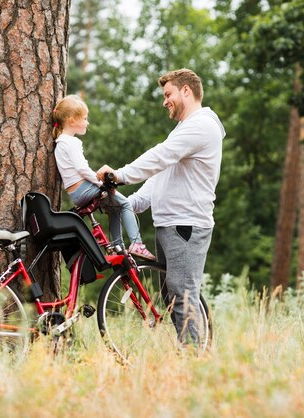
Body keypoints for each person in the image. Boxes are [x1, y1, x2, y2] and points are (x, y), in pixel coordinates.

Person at [96, 69, 226, 345]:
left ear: (186, 91)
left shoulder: (201, 125)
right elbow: (159, 180)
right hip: (170, 226)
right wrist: (126, 205)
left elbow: (159, 157)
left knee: (183, 293)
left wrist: (119, 175)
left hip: (186, 225)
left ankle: (193, 362)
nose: (164, 101)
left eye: (168, 94)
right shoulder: (184, 129)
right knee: (171, 296)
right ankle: (187, 356)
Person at [52, 95, 155, 261]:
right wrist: (101, 182)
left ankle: (116, 248)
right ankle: (137, 244)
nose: (87, 122)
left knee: (115, 209)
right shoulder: (71, 142)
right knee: (126, 203)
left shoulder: (60, 142)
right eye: (84, 118)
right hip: (85, 189)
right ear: (71, 120)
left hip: (76, 194)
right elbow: (82, 169)